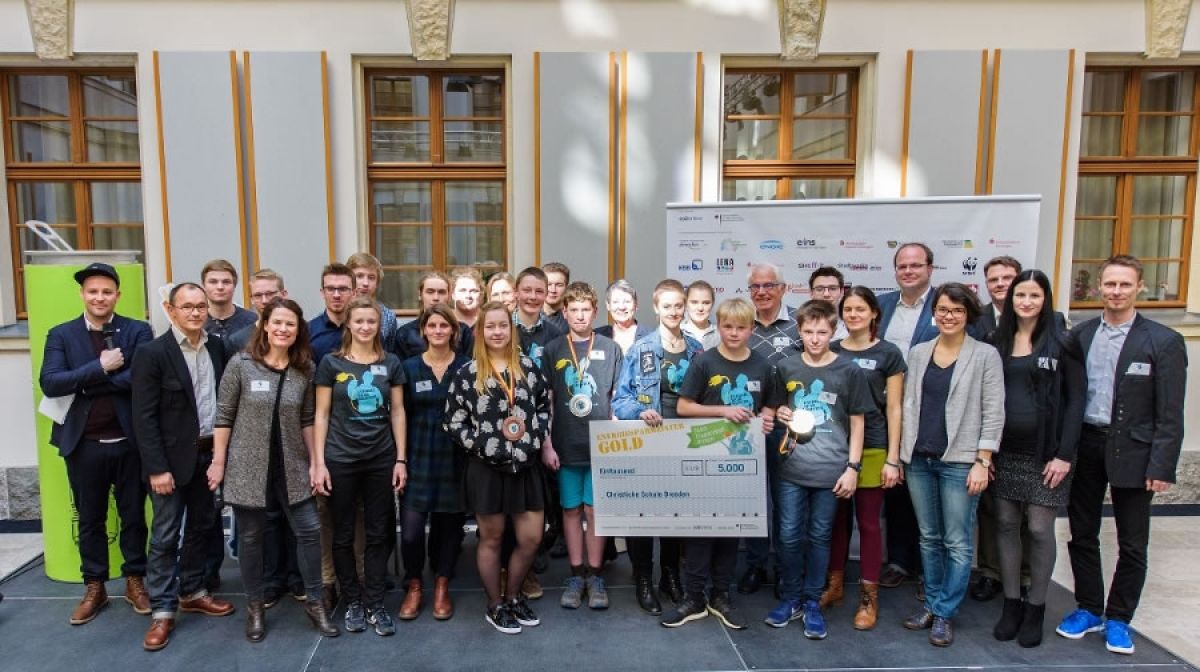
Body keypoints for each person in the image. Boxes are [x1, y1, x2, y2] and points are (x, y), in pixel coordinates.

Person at [1057, 255, 1187, 656]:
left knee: (1132, 542)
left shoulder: (1163, 341)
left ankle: (1119, 618)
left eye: (1124, 285)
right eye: (1109, 285)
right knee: (1082, 533)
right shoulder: (1078, 336)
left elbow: (1170, 411)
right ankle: (1089, 608)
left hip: (1135, 450)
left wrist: (1161, 463)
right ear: (1098, 288)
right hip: (1087, 444)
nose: (1116, 292)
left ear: (1139, 288)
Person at [209, 298, 338, 641]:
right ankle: (255, 607)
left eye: (290, 324)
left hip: (293, 464)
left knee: (309, 530)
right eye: (277, 322)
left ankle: (315, 603)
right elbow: (223, 417)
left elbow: (308, 419)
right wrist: (218, 463)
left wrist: (316, 462)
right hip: (248, 466)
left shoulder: (305, 368)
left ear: (298, 331)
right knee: (251, 538)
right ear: (265, 325)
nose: (283, 329)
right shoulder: (241, 364)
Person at [39, 262, 153, 625]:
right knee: (90, 519)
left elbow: (143, 379)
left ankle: (135, 579)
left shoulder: (137, 331)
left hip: (130, 442)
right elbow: (52, 382)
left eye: (106, 291)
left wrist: (86, 381)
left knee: (134, 515)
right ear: (82, 295)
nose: (99, 297)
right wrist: (101, 368)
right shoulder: (61, 334)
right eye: (93, 291)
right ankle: (95, 587)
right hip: (84, 444)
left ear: (117, 295)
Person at [662, 297, 780, 630]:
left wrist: (767, 420)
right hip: (704, 457)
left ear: (752, 329)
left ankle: (720, 595)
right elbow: (684, 407)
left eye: (741, 327)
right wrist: (723, 411)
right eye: (727, 326)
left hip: (743, 461)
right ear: (719, 326)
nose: (733, 333)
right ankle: (695, 596)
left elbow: (770, 405)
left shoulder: (762, 365)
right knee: (699, 531)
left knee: (731, 530)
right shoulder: (705, 362)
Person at [132, 282, 235, 652]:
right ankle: (162, 608)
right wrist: (157, 468)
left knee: (203, 527)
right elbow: (143, 418)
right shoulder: (152, 353)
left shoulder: (218, 348)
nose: (195, 312)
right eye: (187, 306)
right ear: (170, 310)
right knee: (164, 535)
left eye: (200, 306)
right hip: (170, 464)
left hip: (209, 457)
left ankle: (192, 590)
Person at [900, 282, 1004, 647]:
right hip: (918, 459)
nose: (948, 316)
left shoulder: (985, 355)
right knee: (928, 537)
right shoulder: (918, 353)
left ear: (968, 315)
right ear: (934, 312)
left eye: (957, 311)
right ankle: (930, 602)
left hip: (960, 461)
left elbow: (993, 412)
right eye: (943, 309)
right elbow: (908, 406)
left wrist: (983, 460)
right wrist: (901, 455)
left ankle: (944, 612)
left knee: (957, 542)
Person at [988, 269, 1085, 648]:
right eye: (1020, 295)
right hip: (1004, 451)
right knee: (1007, 526)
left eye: (1034, 295)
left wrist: (1064, 455)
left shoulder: (1063, 341)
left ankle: (1037, 606)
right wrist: (985, 453)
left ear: (1045, 299)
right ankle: (1011, 603)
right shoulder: (997, 340)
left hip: (1047, 455)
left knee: (1041, 529)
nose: (1026, 302)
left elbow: (1077, 400)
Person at [444, 300, 552, 635]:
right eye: (489, 326)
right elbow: (453, 420)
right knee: (491, 539)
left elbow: (545, 406)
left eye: (502, 325)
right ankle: (495, 605)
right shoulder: (467, 373)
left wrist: (534, 439)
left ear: (511, 328)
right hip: (487, 470)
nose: (497, 332)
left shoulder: (528, 368)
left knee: (531, 537)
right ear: (480, 331)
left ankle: (513, 595)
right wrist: (481, 445)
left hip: (526, 467)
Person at [766, 300, 871, 639]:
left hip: (831, 470)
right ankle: (792, 597)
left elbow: (858, 423)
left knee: (820, 536)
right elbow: (776, 408)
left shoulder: (849, 371)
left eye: (822, 332)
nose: (814, 338)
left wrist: (853, 467)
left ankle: (813, 600)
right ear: (799, 330)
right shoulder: (787, 367)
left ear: (833, 330)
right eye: (808, 332)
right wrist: (780, 412)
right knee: (789, 536)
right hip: (792, 468)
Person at [312, 297, 407, 636]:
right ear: (348, 324)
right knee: (342, 533)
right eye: (360, 321)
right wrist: (319, 462)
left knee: (380, 532)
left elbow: (397, 412)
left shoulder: (391, 362)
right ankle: (352, 599)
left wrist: (400, 459)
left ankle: (375, 602)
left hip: (381, 458)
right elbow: (321, 414)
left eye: (372, 321)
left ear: (379, 325)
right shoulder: (330, 363)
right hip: (340, 458)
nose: (366, 326)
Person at [613, 279, 702, 615]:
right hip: (648, 443)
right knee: (643, 515)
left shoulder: (697, 350)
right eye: (668, 306)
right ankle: (642, 580)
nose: (675, 312)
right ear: (656, 308)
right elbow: (620, 401)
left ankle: (669, 576)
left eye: (680, 305)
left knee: (674, 515)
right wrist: (640, 410)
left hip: (686, 444)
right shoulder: (640, 349)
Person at [824, 286, 907, 631]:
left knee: (869, 523)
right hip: (834, 448)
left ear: (874, 313)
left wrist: (893, 458)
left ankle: (869, 597)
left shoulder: (889, 353)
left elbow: (895, 408)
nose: (853, 315)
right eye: (848, 309)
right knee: (836, 522)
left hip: (873, 448)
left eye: (861, 309)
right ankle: (835, 585)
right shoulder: (830, 349)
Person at [541, 282, 624, 611]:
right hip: (564, 444)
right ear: (564, 312)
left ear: (594, 311)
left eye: (585, 310)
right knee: (571, 511)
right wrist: (547, 444)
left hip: (600, 446)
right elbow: (545, 400)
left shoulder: (610, 347)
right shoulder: (553, 349)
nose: (579, 315)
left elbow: (616, 399)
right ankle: (576, 575)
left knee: (595, 511)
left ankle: (595, 574)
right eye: (572, 310)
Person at [400, 304, 470, 621]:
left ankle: (442, 584)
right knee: (412, 532)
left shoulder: (467, 367)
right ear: (423, 330)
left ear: (453, 331)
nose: (438, 331)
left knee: (449, 529)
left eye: (445, 326)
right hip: (417, 456)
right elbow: (399, 414)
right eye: (433, 326)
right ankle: (414, 584)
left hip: (456, 457)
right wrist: (399, 459)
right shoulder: (409, 368)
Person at [876, 242, 939, 596]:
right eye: (903, 266)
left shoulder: (945, 304)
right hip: (886, 409)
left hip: (929, 409)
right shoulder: (882, 306)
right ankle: (900, 561)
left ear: (930, 268)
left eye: (916, 265)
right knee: (895, 487)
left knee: (928, 490)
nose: (909, 271)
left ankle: (931, 571)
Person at [970, 255, 1027, 604]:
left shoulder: (1050, 321)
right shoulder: (977, 320)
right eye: (994, 279)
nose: (1001, 283)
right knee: (991, 509)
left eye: (1008, 277)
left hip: (1027, 430)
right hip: (985, 427)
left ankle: (1024, 576)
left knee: (1027, 514)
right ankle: (991, 572)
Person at [740, 262, 799, 596]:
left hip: (786, 430)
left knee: (785, 501)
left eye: (768, 286)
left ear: (783, 288)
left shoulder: (797, 326)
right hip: (746, 430)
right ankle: (756, 563)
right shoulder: (743, 324)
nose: (761, 292)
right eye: (755, 287)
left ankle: (783, 568)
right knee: (753, 498)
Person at [392, 271, 474, 359]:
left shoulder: (463, 332)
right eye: (430, 292)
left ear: (449, 296)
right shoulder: (404, 334)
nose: (436, 298)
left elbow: (469, 367)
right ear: (420, 294)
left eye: (441, 292)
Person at [224, 269, 289, 360]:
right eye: (258, 295)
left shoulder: (302, 333)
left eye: (270, 294)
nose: (264, 301)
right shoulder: (238, 340)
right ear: (252, 300)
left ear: (284, 294)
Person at [346, 252, 399, 347]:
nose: (365, 283)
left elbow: (389, 351)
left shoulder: (388, 317)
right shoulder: (338, 312)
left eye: (371, 278)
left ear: (377, 283)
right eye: (359, 276)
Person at [310, 263, 357, 365]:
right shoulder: (308, 331)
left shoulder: (366, 330)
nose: (336, 295)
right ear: (322, 292)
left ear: (354, 293)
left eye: (343, 289)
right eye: (330, 289)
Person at [202, 259, 257, 341]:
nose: (220, 287)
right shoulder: (197, 321)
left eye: (226, 282)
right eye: (213, 282)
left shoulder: (251, 320)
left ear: (234, 285)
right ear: (204, 286)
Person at [596, 279, 653, 353]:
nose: (621, 307)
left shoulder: (651, 336)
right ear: (608, 306)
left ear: (636, 304)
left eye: (627, 301)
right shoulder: (597, 336)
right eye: (616, 302)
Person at [808, 267, 849, 340]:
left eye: (833, 288)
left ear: (842, 292)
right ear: (811, 293)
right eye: (820, 289)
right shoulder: (800, 323)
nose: (826, 294)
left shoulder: (853, 324)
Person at [681, 280, 719, 350]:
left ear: (712, 304)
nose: (700, 308)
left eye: (706, 303)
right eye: (694, 302)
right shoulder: (677, 332)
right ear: (686, 303)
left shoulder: (721, 335)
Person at [542, 261, 571, 333]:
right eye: (548, 284)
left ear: (567, 287)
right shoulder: (527, 316)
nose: (553, 290)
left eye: (559, 285)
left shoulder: (573, 319)